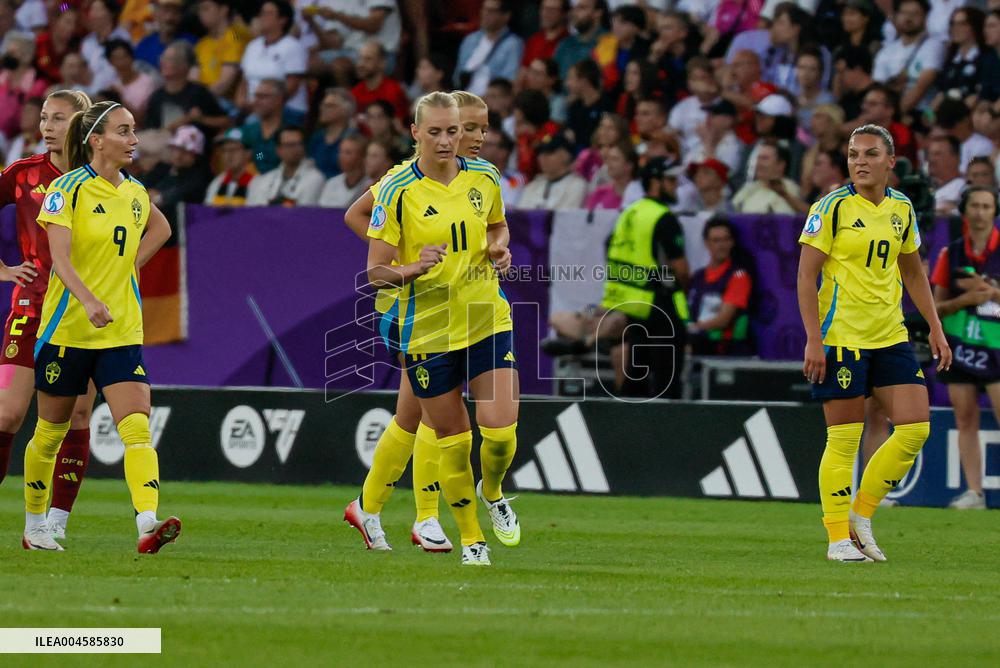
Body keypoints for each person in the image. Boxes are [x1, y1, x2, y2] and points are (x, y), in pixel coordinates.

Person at [356, 92, 519, 566]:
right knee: (444, 432)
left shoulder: (485, 177)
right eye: (440, 131)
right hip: (424, 325)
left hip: (484, 316)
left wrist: (498, 248)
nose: (455, 140)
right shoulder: (397, 188)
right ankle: (465, 537)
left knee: (498, 433)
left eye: (459, 131)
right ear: (416, 133)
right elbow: (373, 268)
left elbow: (497, 227)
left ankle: (489, 493)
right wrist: (410, 264)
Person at [24, 101, 176, 552]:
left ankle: (147, 523)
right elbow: (60, 258)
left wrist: (127, 269)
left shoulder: (134, 192)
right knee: (50, 433)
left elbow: (161, 229)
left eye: (134, 132)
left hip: (120, 330)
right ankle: (35, 525)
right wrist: (89, 300)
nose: (134, 141)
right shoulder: (67, 189)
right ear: (97, 140)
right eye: (125, 132)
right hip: (67, 329)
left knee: (136, 426)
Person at [797, 123, 952, 563]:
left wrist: (935, 327)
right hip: (842, 336)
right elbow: (806, 275)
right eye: (852, 154)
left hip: (890, 335)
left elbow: (914, 272)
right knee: (843, 439)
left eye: (868, 154)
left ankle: (861, 516)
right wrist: (813, 338)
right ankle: (836, 539)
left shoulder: (902, 207)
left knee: (915, 427)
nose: (859, 162)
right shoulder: (832, 208)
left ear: (890, 161)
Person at [0, 90, 96, 542]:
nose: (46, 126)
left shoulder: (102, 180)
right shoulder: (24, 174)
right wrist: (2, 270)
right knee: (7, 416)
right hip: (30, 308)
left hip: (81, 312)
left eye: (58, 119)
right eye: (43, 118)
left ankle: (52, 522)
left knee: (76, 416)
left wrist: (125, 269)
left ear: (80, 124)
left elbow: (151, 224)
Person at [930, 186, 1000, 510]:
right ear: (965, 211)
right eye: (975, 205)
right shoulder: (951, 253)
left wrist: (991, 293)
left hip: (997, 346)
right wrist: (966, 300)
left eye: (987, 206)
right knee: (965, 417)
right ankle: (975, 492)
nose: (981, 212)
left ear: (994, 211)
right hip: (960, 348)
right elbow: (936, 306)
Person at [687, 217, 754, 356]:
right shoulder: (697, 276)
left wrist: (693, 328)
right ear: (706, 243)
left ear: (732, 242)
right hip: (695, 340)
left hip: (721, 346)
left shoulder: (739, 275)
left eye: (726, 239)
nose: (721, 245)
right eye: (716, 240)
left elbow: (723, 320)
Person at [872, 0, 945, 115]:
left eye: (914, 14)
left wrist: (896, 115)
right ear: (896, 16)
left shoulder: (933, 46)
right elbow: (877, 87)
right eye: (904, 13)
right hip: (886, 113)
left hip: (919, 113)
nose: (908, 18)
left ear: (925, 17)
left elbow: (921, 87)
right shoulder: (886, 51)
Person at [238, 0, 308, 115]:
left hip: (285, 110)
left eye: (268, 13)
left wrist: (262, 104)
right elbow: (244, 81)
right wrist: (241, 101)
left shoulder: (293, 46)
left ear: (282, 20)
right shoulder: (252, 46)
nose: (261, 17)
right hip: (252, 109)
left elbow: (292, 86)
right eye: (261, 13)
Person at [454, 0, 523, 95]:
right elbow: (457, 75)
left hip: (490, 101)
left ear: (506, 16)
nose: (485, 14)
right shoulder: (470, 40)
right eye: (484, 9)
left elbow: (507, 82)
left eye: (491, 11)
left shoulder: (513, 44)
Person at [246, 126, 325, 207]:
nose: (296, 149)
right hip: (265, 171)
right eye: (290, 145)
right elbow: (258, 157)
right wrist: (260, 163)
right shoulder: (259, 145)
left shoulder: (314, 178)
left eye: (300, 144)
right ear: (278, 149)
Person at [193, 0, 251, 102]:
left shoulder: (235, 37)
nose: (201, 14)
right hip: (202, 100)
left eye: (206, 8)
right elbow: (192, 79)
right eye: (200, 9)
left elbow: (224, 83)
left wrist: (198, 100)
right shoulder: (202, 44)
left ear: (223, 10)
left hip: (225, 103)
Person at [518, 133, 588, 210]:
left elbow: (564, 218)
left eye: (549, 152)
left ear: (566, 155)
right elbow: (521, 217)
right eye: (540, 153)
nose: (542, 157)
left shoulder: (577, 185)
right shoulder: (533, 186)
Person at [307, 88, 357, 178]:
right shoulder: (317, 138)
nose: (322, 108)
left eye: (329, 105)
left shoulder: (354, 139)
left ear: (345, 110)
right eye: (322, 104)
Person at [134, 0, 196, 69]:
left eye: (175, 12)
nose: (169, 18)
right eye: (165, 11)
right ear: (155, 14)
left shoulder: (191, 44)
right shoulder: (145, 45)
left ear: (181, 16)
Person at [204, 128, 256, 206]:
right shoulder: (217, 182)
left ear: (248, 153)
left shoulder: (258, 182)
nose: (228, 155)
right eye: (224, 151)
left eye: (233, 150)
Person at [584, 141, 641, 210]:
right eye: (608, 159)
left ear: (629, 165)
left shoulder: (640, 195)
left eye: (615, 159)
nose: (608, 163)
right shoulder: (599, 193)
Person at [317, 134, 370, 208]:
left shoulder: (370, 185)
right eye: (340, 151)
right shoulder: (332, 183)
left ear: (362, 156)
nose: (341, 156)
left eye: (347, 153)